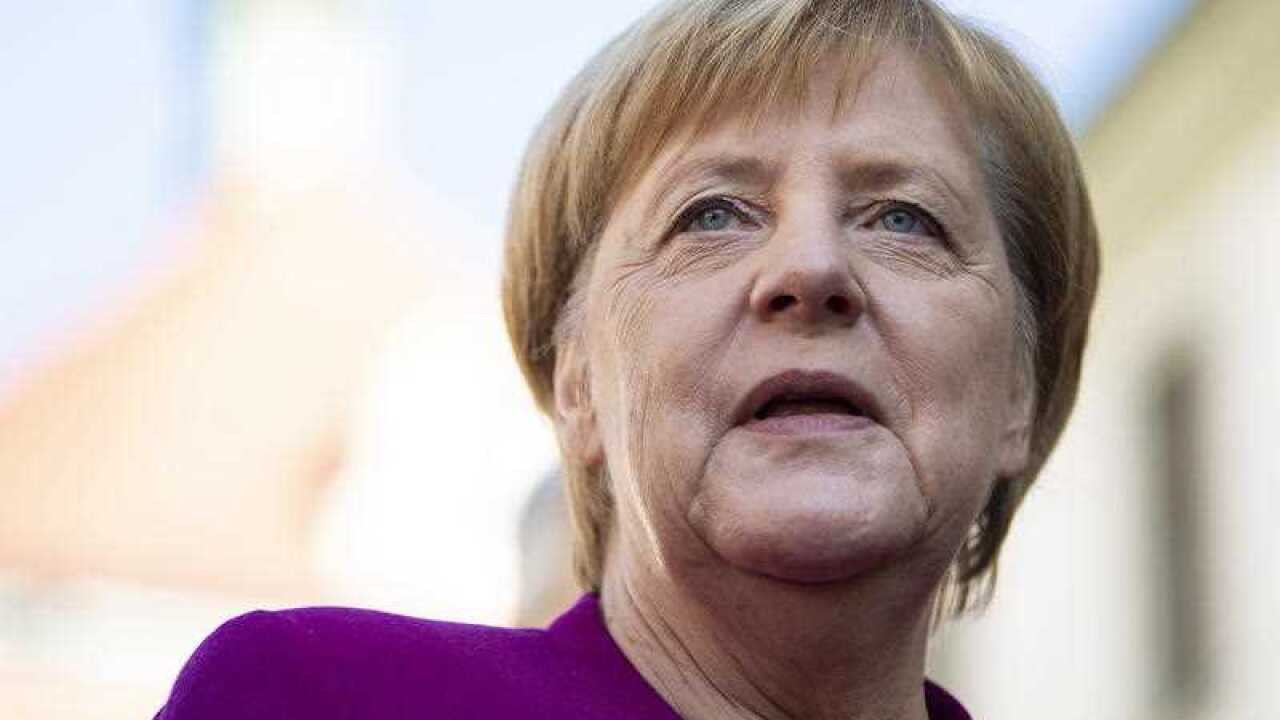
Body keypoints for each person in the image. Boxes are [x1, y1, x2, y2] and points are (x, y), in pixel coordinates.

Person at [155, 0, 1098, 717]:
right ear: (577, 385)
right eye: (712, 215)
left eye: (904, 219)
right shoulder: (321, 697)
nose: (811, 269)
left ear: (1021, 389)